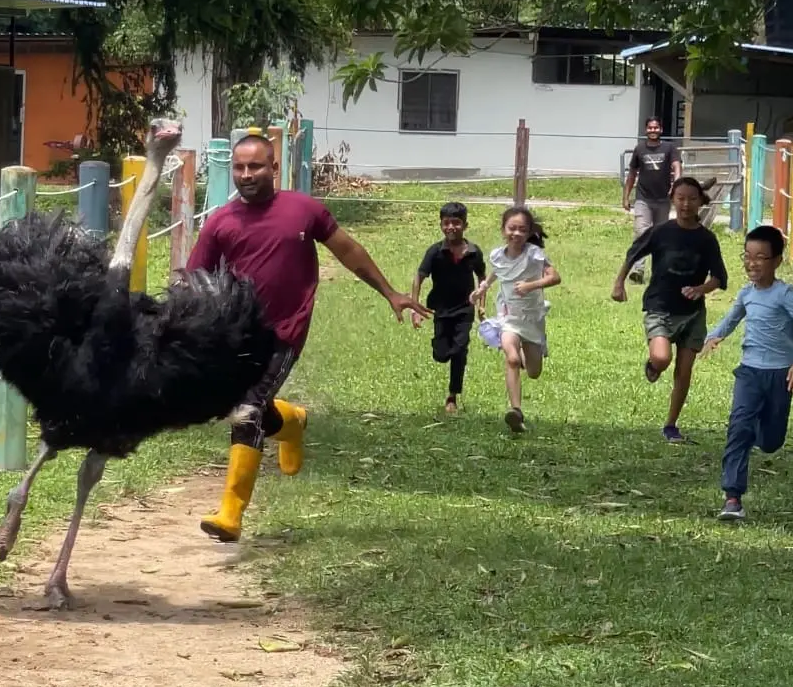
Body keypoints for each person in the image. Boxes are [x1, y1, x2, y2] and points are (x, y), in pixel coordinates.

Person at [188, 131, 428, 541]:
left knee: (246, 409)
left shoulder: (303, 210)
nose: (246, 175)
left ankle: (231, 512)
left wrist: (391, 293)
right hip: (234, 332)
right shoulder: (220, 223)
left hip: (285, 329)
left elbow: (348, 251)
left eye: (256, 166)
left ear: (274, 168)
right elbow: (194, 279)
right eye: (240, 168)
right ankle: (292, 422)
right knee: (241, 404)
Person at [700, 223, 793, 522]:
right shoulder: (746, 294)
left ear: (776, 261)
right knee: (738, 428)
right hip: (750, 372)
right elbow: (730, 321)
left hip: (780, 375)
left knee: (770, 441)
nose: (752, 263)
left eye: (760, 257)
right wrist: (710, 338)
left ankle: (757, 433)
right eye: (747, 256)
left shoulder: (785, 294)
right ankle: (732, 497)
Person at [611, 175, 727, 443]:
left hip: (693, 314)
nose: (686, 204)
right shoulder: (662, 231)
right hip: (660, 307)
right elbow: (634, 253)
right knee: (663, 359)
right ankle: (653, 365)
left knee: (684, 371)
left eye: (692, 199)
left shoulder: (707, 239)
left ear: (701, 202)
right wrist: (619, 283)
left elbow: (720, 278)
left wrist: (701, 290)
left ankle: (671, 425)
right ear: (673, 200)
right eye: (681, 198)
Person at [473, 204, 560, 433]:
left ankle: (526, 352)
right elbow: (498, 271)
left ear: (529, 232)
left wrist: (532, 285)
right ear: (503, 230)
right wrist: (483, 288)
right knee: (511, 359)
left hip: (531, 318)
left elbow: (554, 277)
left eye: (522, 229)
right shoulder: (497, 255)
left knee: (533, 372)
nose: (517, 234)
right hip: (508, 317)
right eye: (512, 228)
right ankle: (516, 411)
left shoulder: (534, 254)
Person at [412, 201, 486, 414]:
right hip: (441, 309)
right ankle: (443, 350)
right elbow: (419, 276)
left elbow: (482, 277)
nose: (451, 227)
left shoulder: (473, 252)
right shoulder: (435, 252)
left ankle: (452, 396)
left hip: (465, 308)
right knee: (442, 354)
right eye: (446, 223)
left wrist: (481, 304)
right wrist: (415, 306)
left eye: (456, 223)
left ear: (465, 225)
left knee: (460, 350)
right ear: (441, 225)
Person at [622, 116, 681, 281]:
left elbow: (677, 166)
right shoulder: (640, 149)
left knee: (661, 235)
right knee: (642, 233)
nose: (653, 130)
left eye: (656, 128)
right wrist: (626, 197)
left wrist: (676, 185)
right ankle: (637, 271)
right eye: (650, 128)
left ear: (661, 130)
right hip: (643, 199)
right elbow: (632, 174)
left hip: (663, 199)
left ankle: (660, 270)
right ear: (646, 130)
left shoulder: (669, 148)